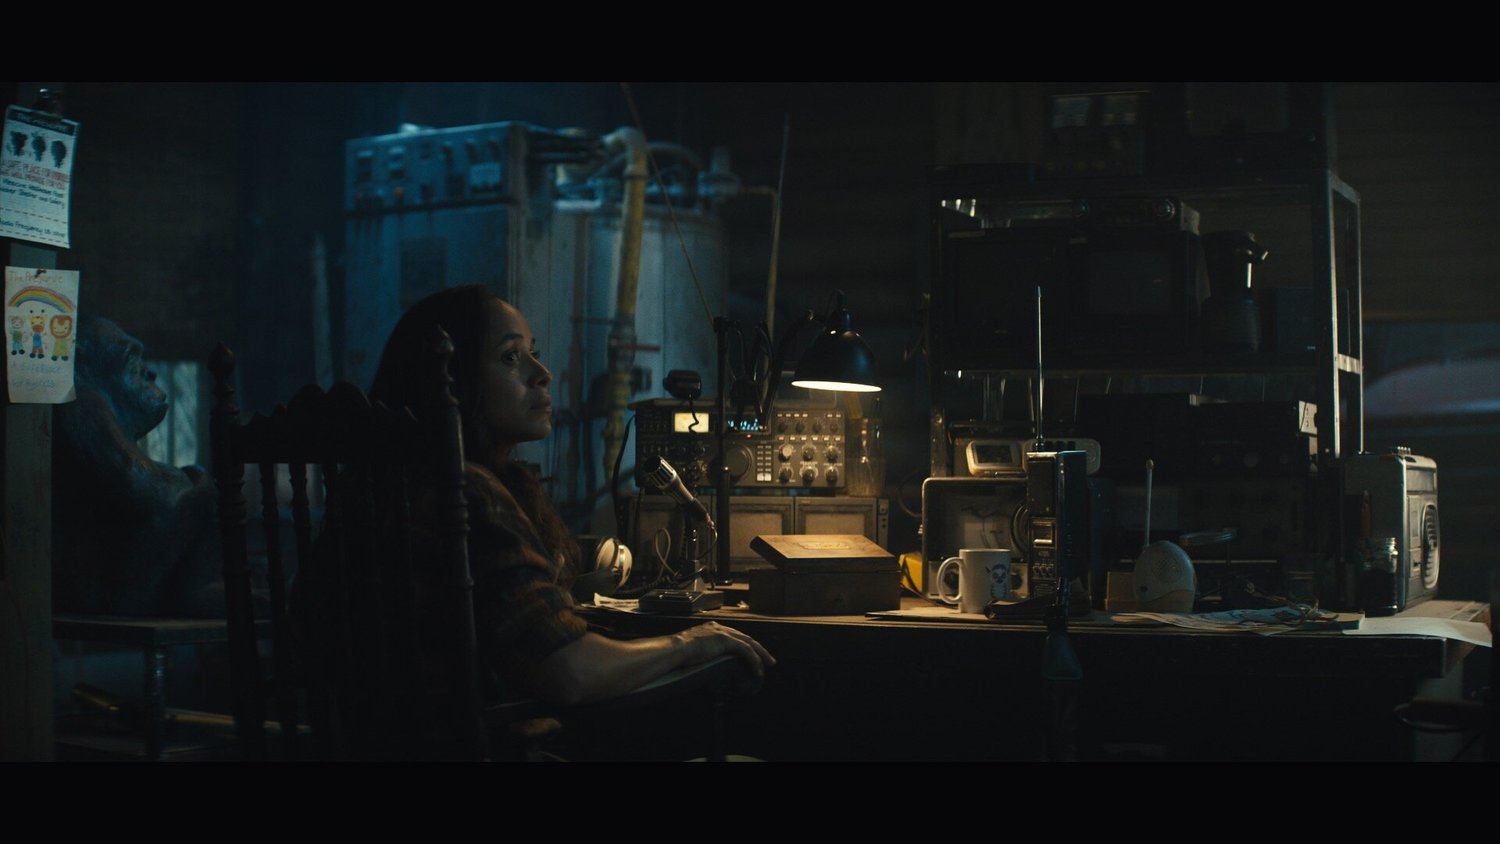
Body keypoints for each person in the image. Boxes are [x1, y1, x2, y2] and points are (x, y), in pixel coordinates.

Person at [297, 285, 772, 712]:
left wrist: (582, 556)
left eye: (534, 354)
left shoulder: (391, 486)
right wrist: (691, 643)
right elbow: (569, 671)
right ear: (453, 379)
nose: (542, 374)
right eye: (510, 357)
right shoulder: (466, 492)